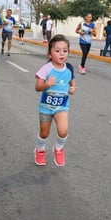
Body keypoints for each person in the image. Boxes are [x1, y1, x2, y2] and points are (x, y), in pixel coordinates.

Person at [34, 34, 77, 166]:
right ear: (50, 54)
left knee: (63, 130)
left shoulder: (69, 68)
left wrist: (73, 88)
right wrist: (48, 84)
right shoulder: (46, 69)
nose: (61, 54)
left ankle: (58, 149)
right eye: (57, 51)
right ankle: (40, 150)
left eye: (65, 51)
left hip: (61, 107)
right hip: (46, 107)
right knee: (44, 133)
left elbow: (72, 81)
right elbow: (37, 87)